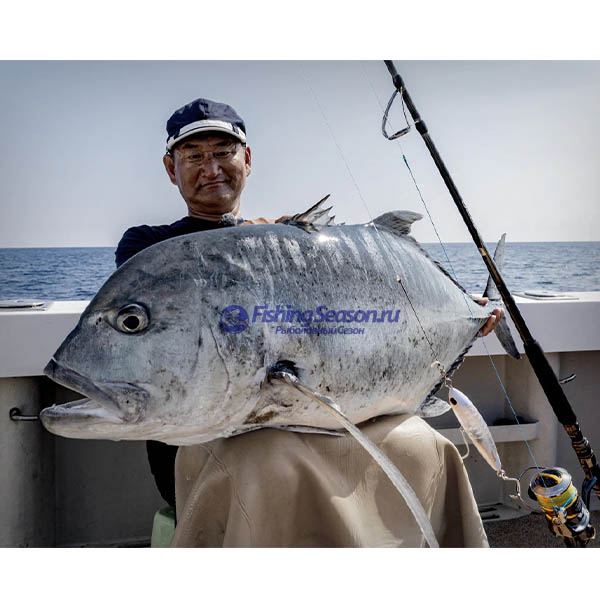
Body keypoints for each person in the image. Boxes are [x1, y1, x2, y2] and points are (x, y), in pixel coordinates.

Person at [115, 98, 502, 546]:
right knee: (269, 463)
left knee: (423, 442)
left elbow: (364, 309)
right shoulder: (149, 249)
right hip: (200, 433)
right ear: (171, 168)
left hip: (298, 416)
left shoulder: (288, 243)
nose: (211, 168)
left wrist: (463, 311)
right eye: (194, 156)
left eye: (223, 152)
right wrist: (262, 235)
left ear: (247, 159)